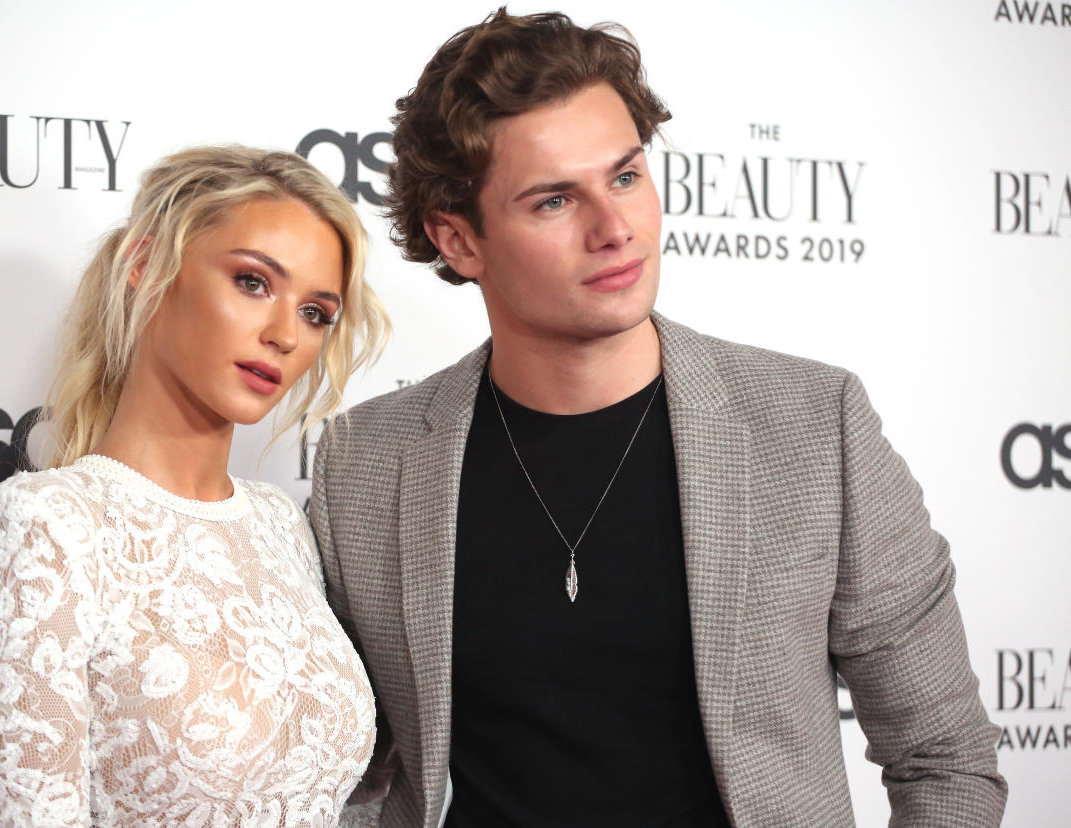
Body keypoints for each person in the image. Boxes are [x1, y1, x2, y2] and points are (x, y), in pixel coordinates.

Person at [310, 9, 1006, 827]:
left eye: (627, 176)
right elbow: (345, 776)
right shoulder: (368, 459)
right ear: (460, 241)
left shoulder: (817, 429)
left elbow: (945, 760)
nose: (615, 229)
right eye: (554, 201)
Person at [0, 145, 388, 826]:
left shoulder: (279, 523)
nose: (283, 335)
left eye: (315, 313)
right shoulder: (47, 526)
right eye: (252, 282)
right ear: (145, 266)